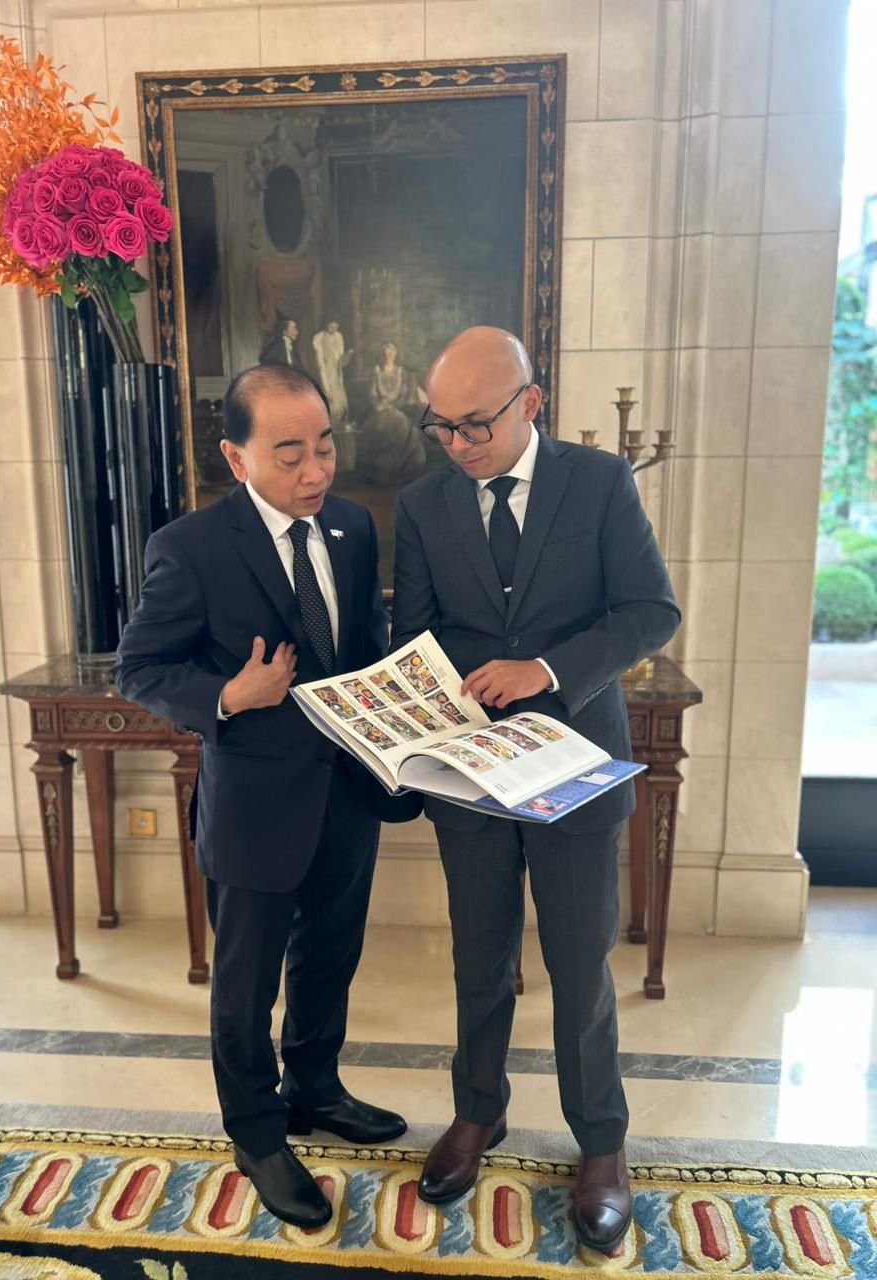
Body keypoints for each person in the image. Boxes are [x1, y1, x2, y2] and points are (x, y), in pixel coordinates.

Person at [390, 327, 680, 1254]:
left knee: (579, 964)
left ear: (532, 403)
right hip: (469, 774)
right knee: (479, 957)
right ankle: (478, 1112)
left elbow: (651, 610)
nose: (458, 443)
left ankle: (601, 1142)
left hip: (577, 768)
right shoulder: (423, 504)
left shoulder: (599, 483)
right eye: (441, 425)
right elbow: (416, 637)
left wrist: (546, 670)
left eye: (476, 424)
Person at [115, 364, 416, 1231]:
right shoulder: (192, 548)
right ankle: (255, 1130)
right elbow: (140, 667)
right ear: (236, 457)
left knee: (330, 956)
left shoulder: (352, 529)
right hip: (254, 806)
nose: (315, 471)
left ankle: (315, 1088)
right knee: (244, 986)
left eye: (325, 446)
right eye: (290, 454)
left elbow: (363, 649)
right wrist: (226, 695)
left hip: (346, 792)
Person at [359, 342, 427, 484]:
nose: (387, 356)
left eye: (390, 353)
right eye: (385, 354)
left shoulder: (400, 371)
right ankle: (381, 472)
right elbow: (372, 393)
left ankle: (399, 471)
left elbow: (403, 394)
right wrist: (379, 405)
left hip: (397, 408)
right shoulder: (377, 370)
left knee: (402, 424)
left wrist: (394, 405)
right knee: (376, 427)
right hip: (380, 409)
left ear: (394, 355)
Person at [312, 320, 354, 426]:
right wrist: (327, 389)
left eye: (336, 326)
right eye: (331, 325)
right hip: (325, 375)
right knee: (331, 406)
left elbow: (341, 362)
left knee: (341, 407)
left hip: (336, 376)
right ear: (326, 324)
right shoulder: (319, 338)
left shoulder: (339, 337)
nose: (334, 328)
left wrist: (348, 356)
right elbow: (320, 365)